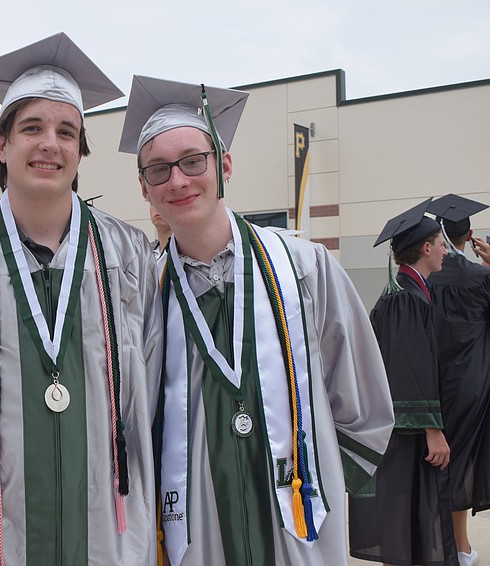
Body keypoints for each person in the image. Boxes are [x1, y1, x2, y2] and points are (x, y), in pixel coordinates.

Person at [118, 75, 394, 566]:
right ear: (144, 188)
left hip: (297, 519)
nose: (178, 180)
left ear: (223, 164)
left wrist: (319, 473)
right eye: (159, 170)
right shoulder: (143, 296)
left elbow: (360, 394)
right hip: (196, 527)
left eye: (193, 160)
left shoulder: (304, 266)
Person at [0, 33, 162, 565]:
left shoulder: (130, 253)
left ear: (79, 150)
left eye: (66, 132)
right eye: (32, 128)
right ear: (1, 145)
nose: (50, 144)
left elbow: (151, 389)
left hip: (107, 523)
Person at [349, 199, 457, 566]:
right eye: (441, 244)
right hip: (405, 434)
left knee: (408, 516)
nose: (445, 251)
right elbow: (407, 368)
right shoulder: (404, 301)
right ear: (426, 248)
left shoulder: (410, 294)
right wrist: (431, 427)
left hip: (405, 433)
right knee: (400, 512)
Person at [426, 193, 490, 566]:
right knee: (460, 463)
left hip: (430, 383)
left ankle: (443, 544)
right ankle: (460, 549)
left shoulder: (423, 279)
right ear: (468, 237)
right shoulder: (481, 278)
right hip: (471, 383)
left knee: (435, 464)